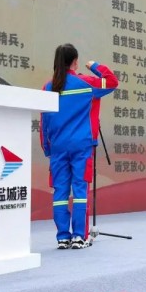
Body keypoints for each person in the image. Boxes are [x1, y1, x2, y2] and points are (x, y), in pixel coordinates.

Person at [40, 43, 118, 249]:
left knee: (60, 192)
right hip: (81, 146)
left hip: (58, 147)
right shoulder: (86, 83)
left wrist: (47, 148)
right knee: (80, 190)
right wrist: (95, 66)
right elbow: (112, 81)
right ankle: (79, 236)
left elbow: (43, 121)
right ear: (75, 61)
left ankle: (62, 237)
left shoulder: (48, 87)